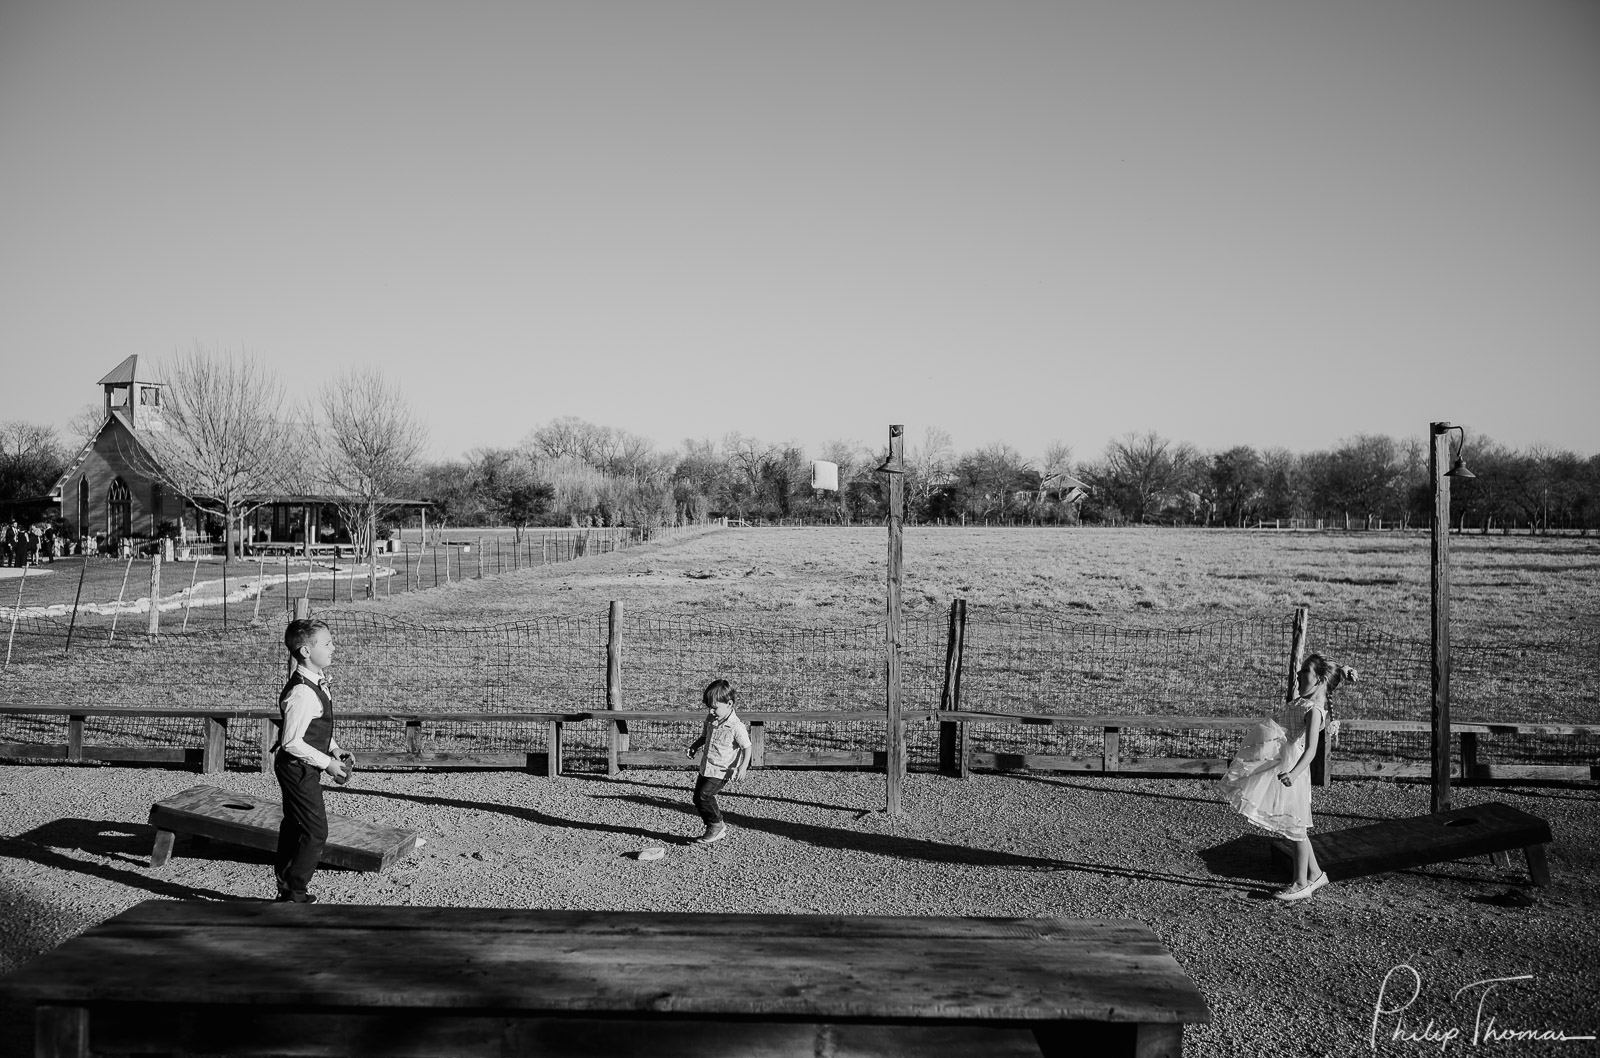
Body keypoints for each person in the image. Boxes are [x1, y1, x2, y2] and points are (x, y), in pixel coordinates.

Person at [1221, 652, 1357, 901]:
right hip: (1281, 762)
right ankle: (1315, 874)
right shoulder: (1303, 701)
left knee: (1295, 825)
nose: (1297, 674)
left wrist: (1294, 774)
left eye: (1304, 671)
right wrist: (1342, 669)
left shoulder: (1315, 710)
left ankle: (1300, 883)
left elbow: (1313, 751)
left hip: (1293, 769)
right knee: (1296, 825)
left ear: (1319, 679)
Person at [272, 618, 352, 903]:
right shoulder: (302, 692)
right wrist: (327, 764)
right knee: (316, 831)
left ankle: (286, 885)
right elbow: (291, 741)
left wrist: (334, 750)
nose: (334, 647)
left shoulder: (316, 683)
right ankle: (294, 893)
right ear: (306, 651)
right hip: (296, 768)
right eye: (327, 643)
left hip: (304, 765)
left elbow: (313, 729)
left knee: (295, 824)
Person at [683, 679, 751, 845]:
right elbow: (705, 737)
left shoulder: (736, 726)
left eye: (715, 707)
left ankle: (716, 826)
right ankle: (712, 826)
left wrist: (743, 767)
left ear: (729, 704)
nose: (711, 710)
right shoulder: (711, 719)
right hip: (707, 766)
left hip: (723, 769)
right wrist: (694, 746)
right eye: (709, 707)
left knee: (704, 795)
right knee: (697, 798)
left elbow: (747, 747)